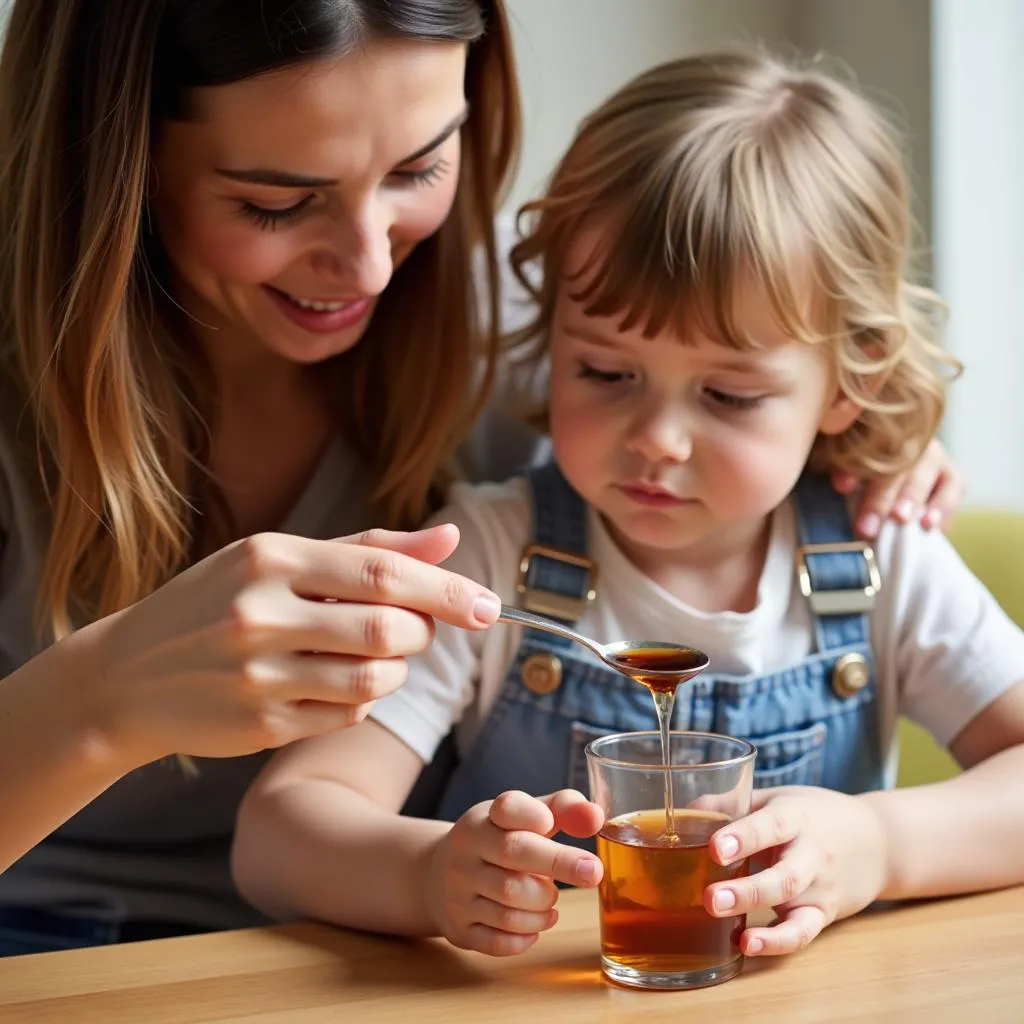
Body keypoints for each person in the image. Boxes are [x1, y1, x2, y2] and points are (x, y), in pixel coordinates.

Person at [0, 2, 958, 955]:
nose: (371, 263)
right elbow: (295, 825)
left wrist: (861, 437)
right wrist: (102, 698)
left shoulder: (552, 321)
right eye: (276, 201)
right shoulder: (522, 496)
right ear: (119, 164)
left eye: (419, 169)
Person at [231, 51, 1024, 962]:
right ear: (554, 337)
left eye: (728, 396)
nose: (658, 439)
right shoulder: (495, 559)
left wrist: (882, 845)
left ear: (850, 385)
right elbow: (280, 833)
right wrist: (426, 874)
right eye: (605, 372)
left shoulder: (885, 567)